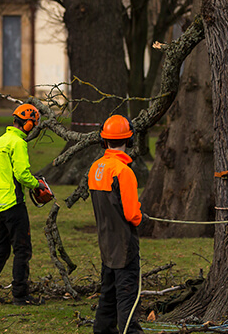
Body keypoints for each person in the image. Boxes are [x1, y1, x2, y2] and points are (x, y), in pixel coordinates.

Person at [0, 103, 44, 306]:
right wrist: (37, 184)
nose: (33, 128)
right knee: (22, 250)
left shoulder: (1, 141)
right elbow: (22, 174)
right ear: (27, 124)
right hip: (14, 205)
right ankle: (20, 295)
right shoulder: (17, 143)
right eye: (33, 124)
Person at [88, 115, 144, 334]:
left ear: (104, 141)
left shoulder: (95, 168)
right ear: (129, 141)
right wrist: (141, 216)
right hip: (124, 245)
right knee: (127, 299)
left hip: (106, 244)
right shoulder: (123, 172)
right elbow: (132, 215)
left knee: (108, 296)